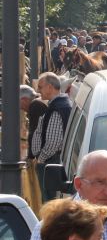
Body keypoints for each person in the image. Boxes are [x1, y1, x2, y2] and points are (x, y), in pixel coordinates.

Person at [31, 72, 73, 202]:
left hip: (50, 162)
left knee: (50, 201)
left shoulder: (57, 107)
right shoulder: (61, 104)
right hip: (51, 160)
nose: (38, 91)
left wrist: (41, 159)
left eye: (40, 86)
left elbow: (54, 142)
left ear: (50, 87)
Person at [20, 84, 47, 160]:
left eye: (19, 104)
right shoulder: (41, 100)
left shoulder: (35, 105)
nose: (21, 108)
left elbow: (34, 134)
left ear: (24, 99)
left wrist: (30, 157)